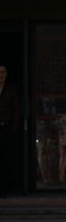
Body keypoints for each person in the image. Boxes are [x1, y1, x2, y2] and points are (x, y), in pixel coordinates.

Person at [0, 64, 20, 197]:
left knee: (5, 158)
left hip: (5, 127)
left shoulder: (11, 90)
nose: (1, 75)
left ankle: (4, 188)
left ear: (6, 74)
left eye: (3, 72)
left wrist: (13, 127)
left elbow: (16, 110)